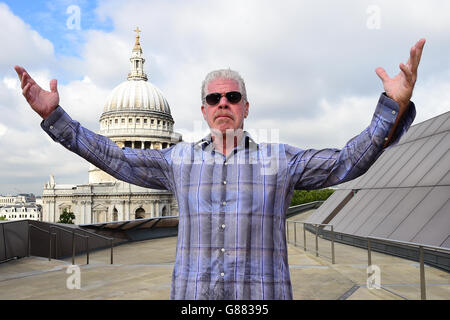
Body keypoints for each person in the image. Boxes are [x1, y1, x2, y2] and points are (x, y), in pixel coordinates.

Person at [14, 38, 425, 300]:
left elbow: (347, 161)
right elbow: (115, 157)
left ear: (246, 106)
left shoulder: (281, 161)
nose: (223, 103)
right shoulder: (178, 161)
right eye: (214, 98)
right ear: (204, 110)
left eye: (232, 96)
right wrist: (57, 118)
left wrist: (393, 107)